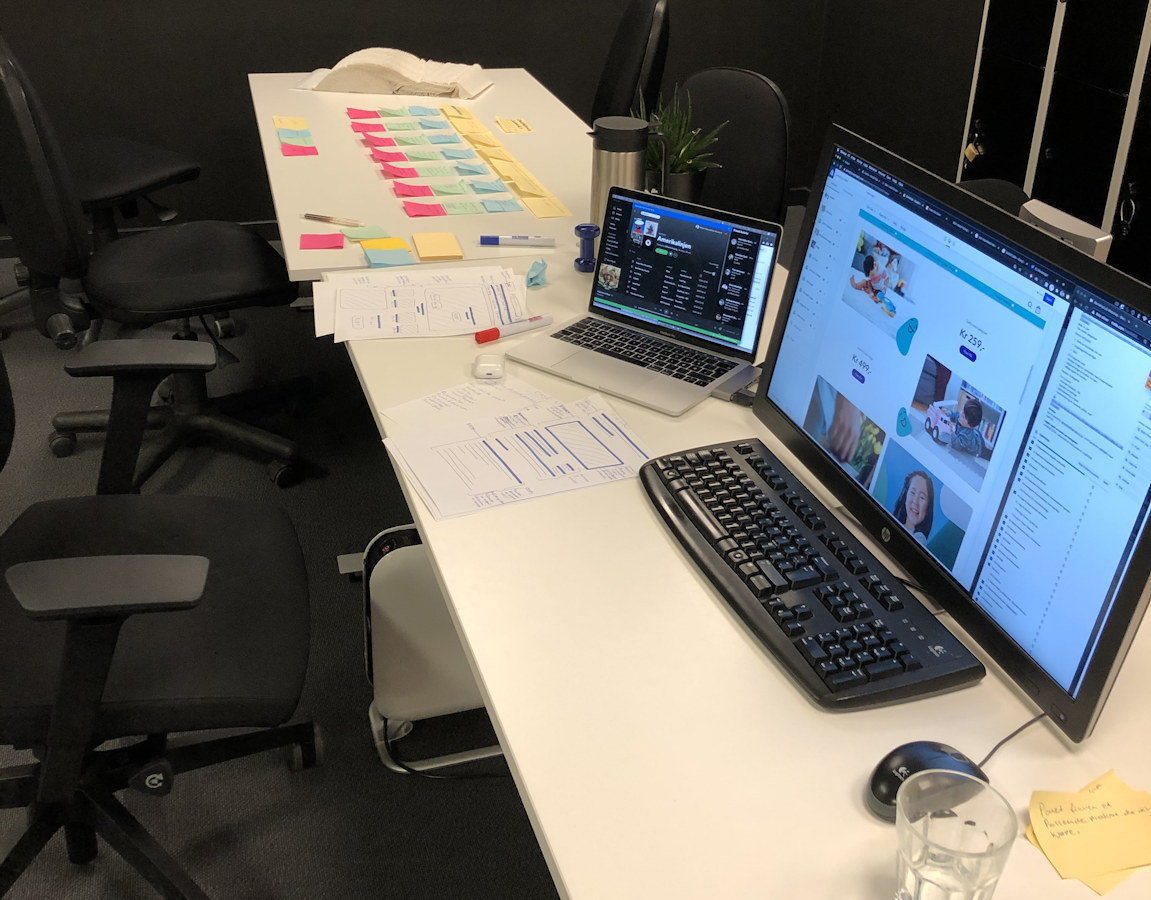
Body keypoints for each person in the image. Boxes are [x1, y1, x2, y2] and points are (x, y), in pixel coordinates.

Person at [894, 469, 934, 545]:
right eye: (912, 493)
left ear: (928, 507)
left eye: (922, 497)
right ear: (905, 495)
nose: (915, 502)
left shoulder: (919, 538)